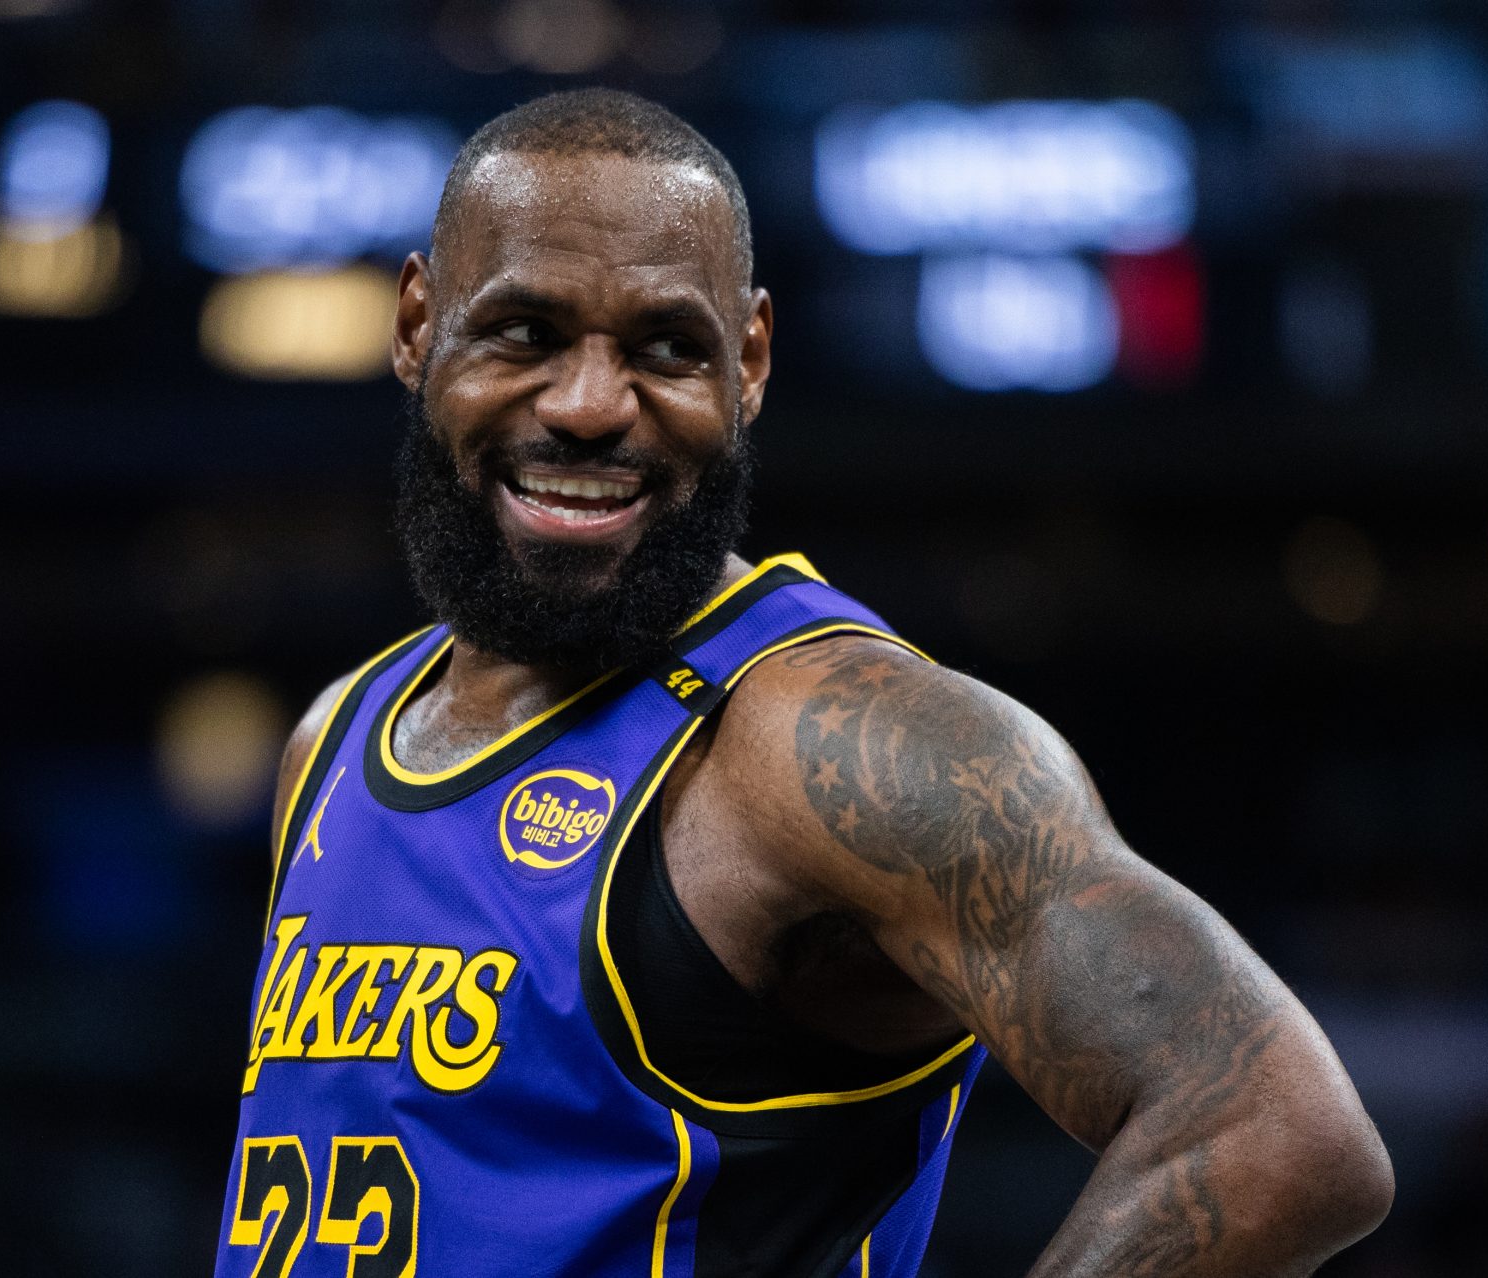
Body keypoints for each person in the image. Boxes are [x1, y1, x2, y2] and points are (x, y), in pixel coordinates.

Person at [215, 87, 1393, 1278]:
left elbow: (1276, 1134)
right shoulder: (337, 736)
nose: (587, 405)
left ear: (753, 361)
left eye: (666, 348)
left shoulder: (831, 745)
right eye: (524, 332)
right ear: (418, 325)